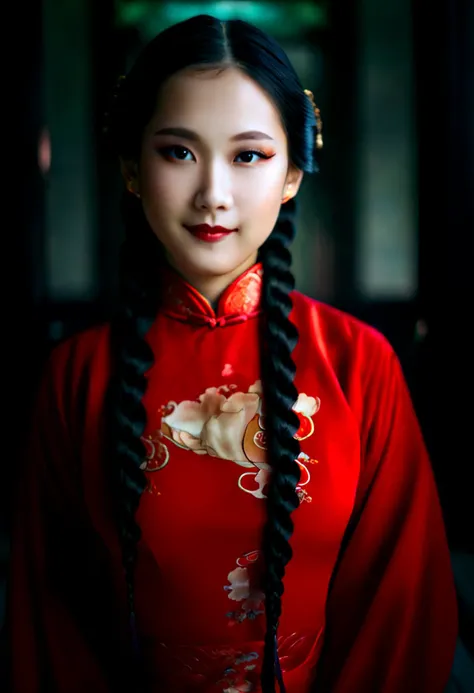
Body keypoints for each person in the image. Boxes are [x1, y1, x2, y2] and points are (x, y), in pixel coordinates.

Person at [4, 13, 457, 693]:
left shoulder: (360, 364)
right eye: (178, 152)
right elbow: (50, 623)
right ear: (131, 168)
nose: (214, 193)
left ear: (295, 174)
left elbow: (400, 607)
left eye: (249, 155)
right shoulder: (79, 377)